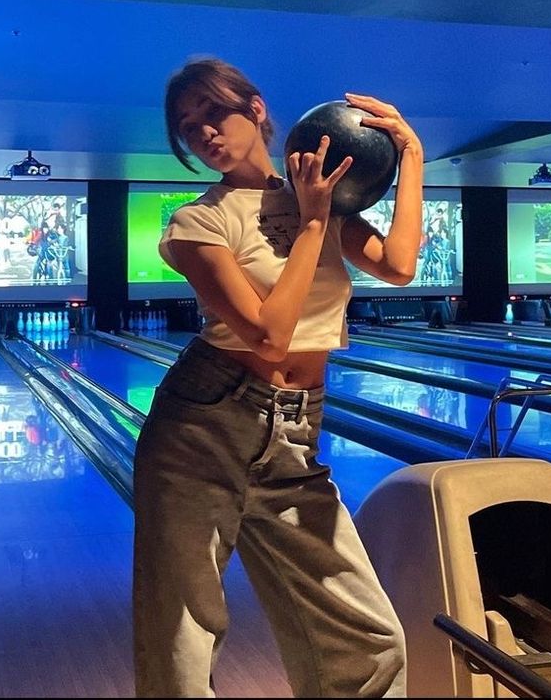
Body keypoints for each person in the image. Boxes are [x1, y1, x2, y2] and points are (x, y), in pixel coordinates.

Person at [132, 57, 424, 698]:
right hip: (202, 429)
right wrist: (315, 224)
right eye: (188, 126)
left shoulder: (322, 200)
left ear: (256, 109)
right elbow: (268, 331)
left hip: (294, 434)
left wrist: (411, 154)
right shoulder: (196, 223)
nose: (203, 131)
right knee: (183, 644)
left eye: (214, 111)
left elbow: (400, 266)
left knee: (370, 641)